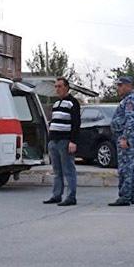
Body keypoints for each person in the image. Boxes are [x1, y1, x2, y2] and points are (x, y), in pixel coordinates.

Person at [43, 77, 81, 206]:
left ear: (66, 87)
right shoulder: (56, 104)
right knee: (57, 171)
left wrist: (73, 141)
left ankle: (71, 197)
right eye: (55, 86)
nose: (57, 89)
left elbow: (76, 123)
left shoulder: (72, 103)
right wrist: (50, 140)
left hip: (65, 141)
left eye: (59, 86)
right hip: (54, 141)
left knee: (68, 170)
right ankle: (56, 195)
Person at [109, 76, 134, 206]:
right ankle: (132, 195)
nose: (118, 88)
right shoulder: (130, 99)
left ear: (128, 86)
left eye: (120, 85)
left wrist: (125, 138)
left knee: (125, 167)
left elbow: (130, 120)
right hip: (128, 135)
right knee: (131, 166)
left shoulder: (130, 100)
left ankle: (125, 196)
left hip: (127, 136)